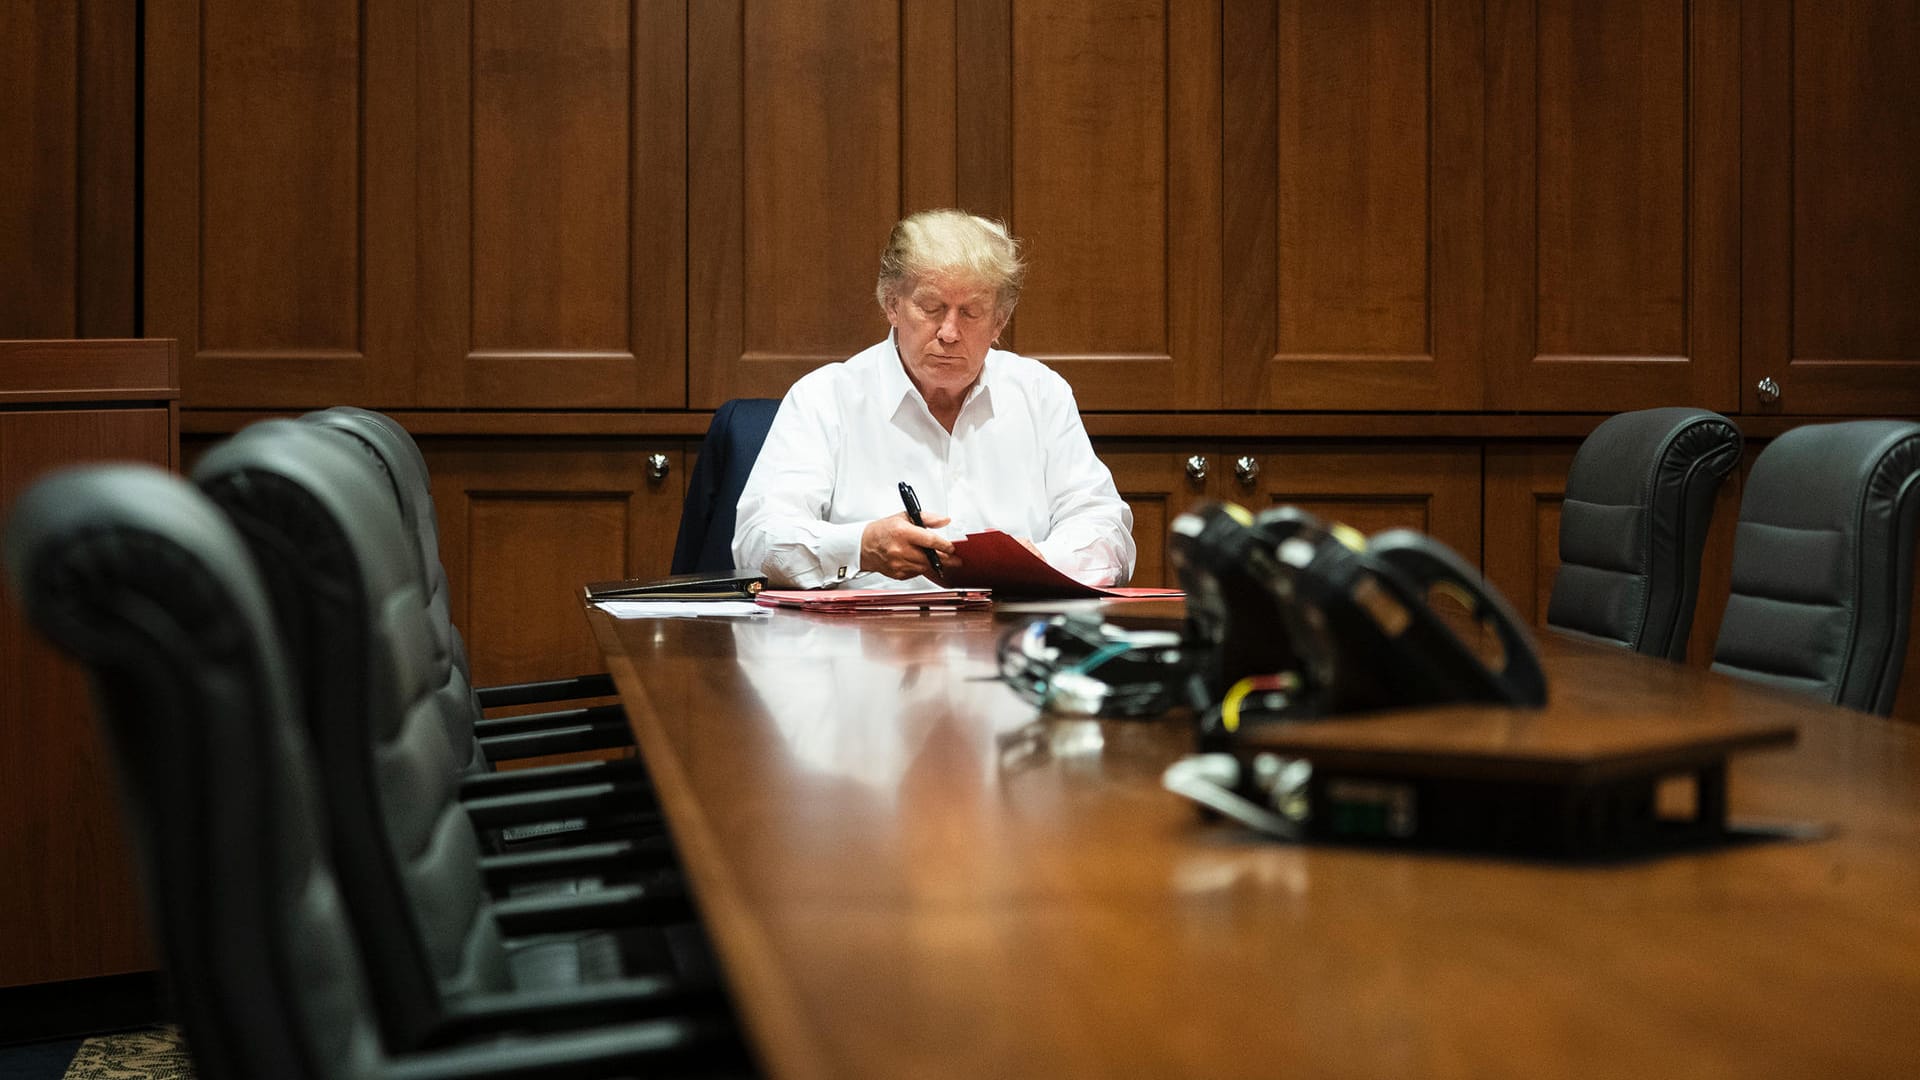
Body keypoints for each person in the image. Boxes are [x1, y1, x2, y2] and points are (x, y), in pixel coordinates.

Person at [731, 209, 1135, 589]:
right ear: (892, 304)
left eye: (971, 312)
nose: (949, 332)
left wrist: (1039, 560)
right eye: (931, 308)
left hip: (1007, 642)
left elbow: (1107, 530)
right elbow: (757, 540)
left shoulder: (1040, 394)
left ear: (1000, 321)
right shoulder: (825, 398)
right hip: (863, 649)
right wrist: (861, 546)